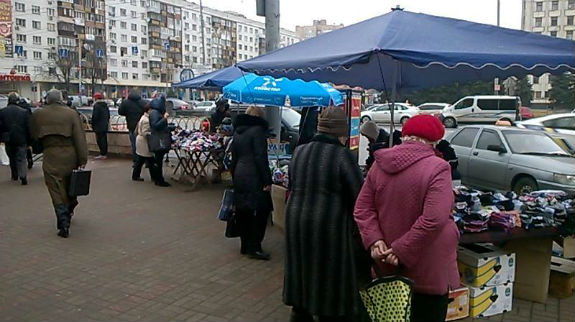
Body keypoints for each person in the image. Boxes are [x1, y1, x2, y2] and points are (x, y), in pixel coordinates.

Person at [354, 115, 459, 322]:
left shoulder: (379, 164)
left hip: (385, 262)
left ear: (405, 135)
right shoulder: (438, 167)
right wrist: (402, 249)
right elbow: (434, 219)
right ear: (434, 140)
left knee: (388, 315)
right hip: (426, 267)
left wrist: (375, 241)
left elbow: (362, 208)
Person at [284, 107, 367, 322]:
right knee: (329, 277)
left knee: (302, 268)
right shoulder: (342, 156)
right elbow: (358, 196)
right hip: (328, 224)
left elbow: (291, 184)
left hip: (296, 219)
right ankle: (328, 313)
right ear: (341, 131)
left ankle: (300, 311)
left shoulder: (300, 151)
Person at [30, 89, 88, 238]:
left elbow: (34, 137)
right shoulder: (71, 114)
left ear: (47, 99)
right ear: (61, 99)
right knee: (71, 185)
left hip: (50, 155)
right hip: (70, 155)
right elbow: (79, 138)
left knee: (55, 188)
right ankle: (69, 209)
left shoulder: (38, 114)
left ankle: (63, 220)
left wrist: (38, 149)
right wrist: (83, 159)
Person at [230, 106, 273, 260]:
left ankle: (244, 244)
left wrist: (234, 175)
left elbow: (233, 157)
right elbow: (260, 157)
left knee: (243, 211)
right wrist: (267, 180)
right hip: (254, 175)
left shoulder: (237, 131)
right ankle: (255, 246)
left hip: (240, 174)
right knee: (261, 211)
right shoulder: (258, 132)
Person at [0, 92, 30, 185]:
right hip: (21, 138)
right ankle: (23, 175)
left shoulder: (2, 112)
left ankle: (14, 174)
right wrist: (29, 139)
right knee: (21, 157)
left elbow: (0, 126)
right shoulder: (24, 112)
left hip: (8, 138)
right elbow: (28, 127)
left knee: (11, 157)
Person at [132, 103, 159, 182]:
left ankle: (136, 176)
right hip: (144, 142)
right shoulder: (146, 120)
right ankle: (153, 177)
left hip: (141, 141)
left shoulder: (143, 117)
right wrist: (153, 133)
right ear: (149, 110)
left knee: (141, 160)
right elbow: (144, 132)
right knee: (149, 160)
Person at [148, 95, 171, 187]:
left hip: (159, 137)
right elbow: (155, 125)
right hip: (158, 139)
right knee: (158, 160)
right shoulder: (155, 113)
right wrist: (164, 119)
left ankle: (158, 179)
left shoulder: (155, 112)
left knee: (158, 160)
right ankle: (159, 180)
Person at [119, 90, 144, 166]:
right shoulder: (142, 102)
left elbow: (120, 112)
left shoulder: (126, 103)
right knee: (144, 144)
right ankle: (146, 161)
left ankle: (136, 161)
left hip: (132, 126)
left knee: (134, 144)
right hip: (141, 126)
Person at [91, 92, 110, 160]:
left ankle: (102, 154)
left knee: (99, 140)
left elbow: (95, 117)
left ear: (95, 98)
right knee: (104, 139)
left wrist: (92, 123)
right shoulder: (105, 105)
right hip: (104, 125)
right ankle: (104, 153)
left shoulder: (96, 106)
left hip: (98, 126)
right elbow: (108, 116)